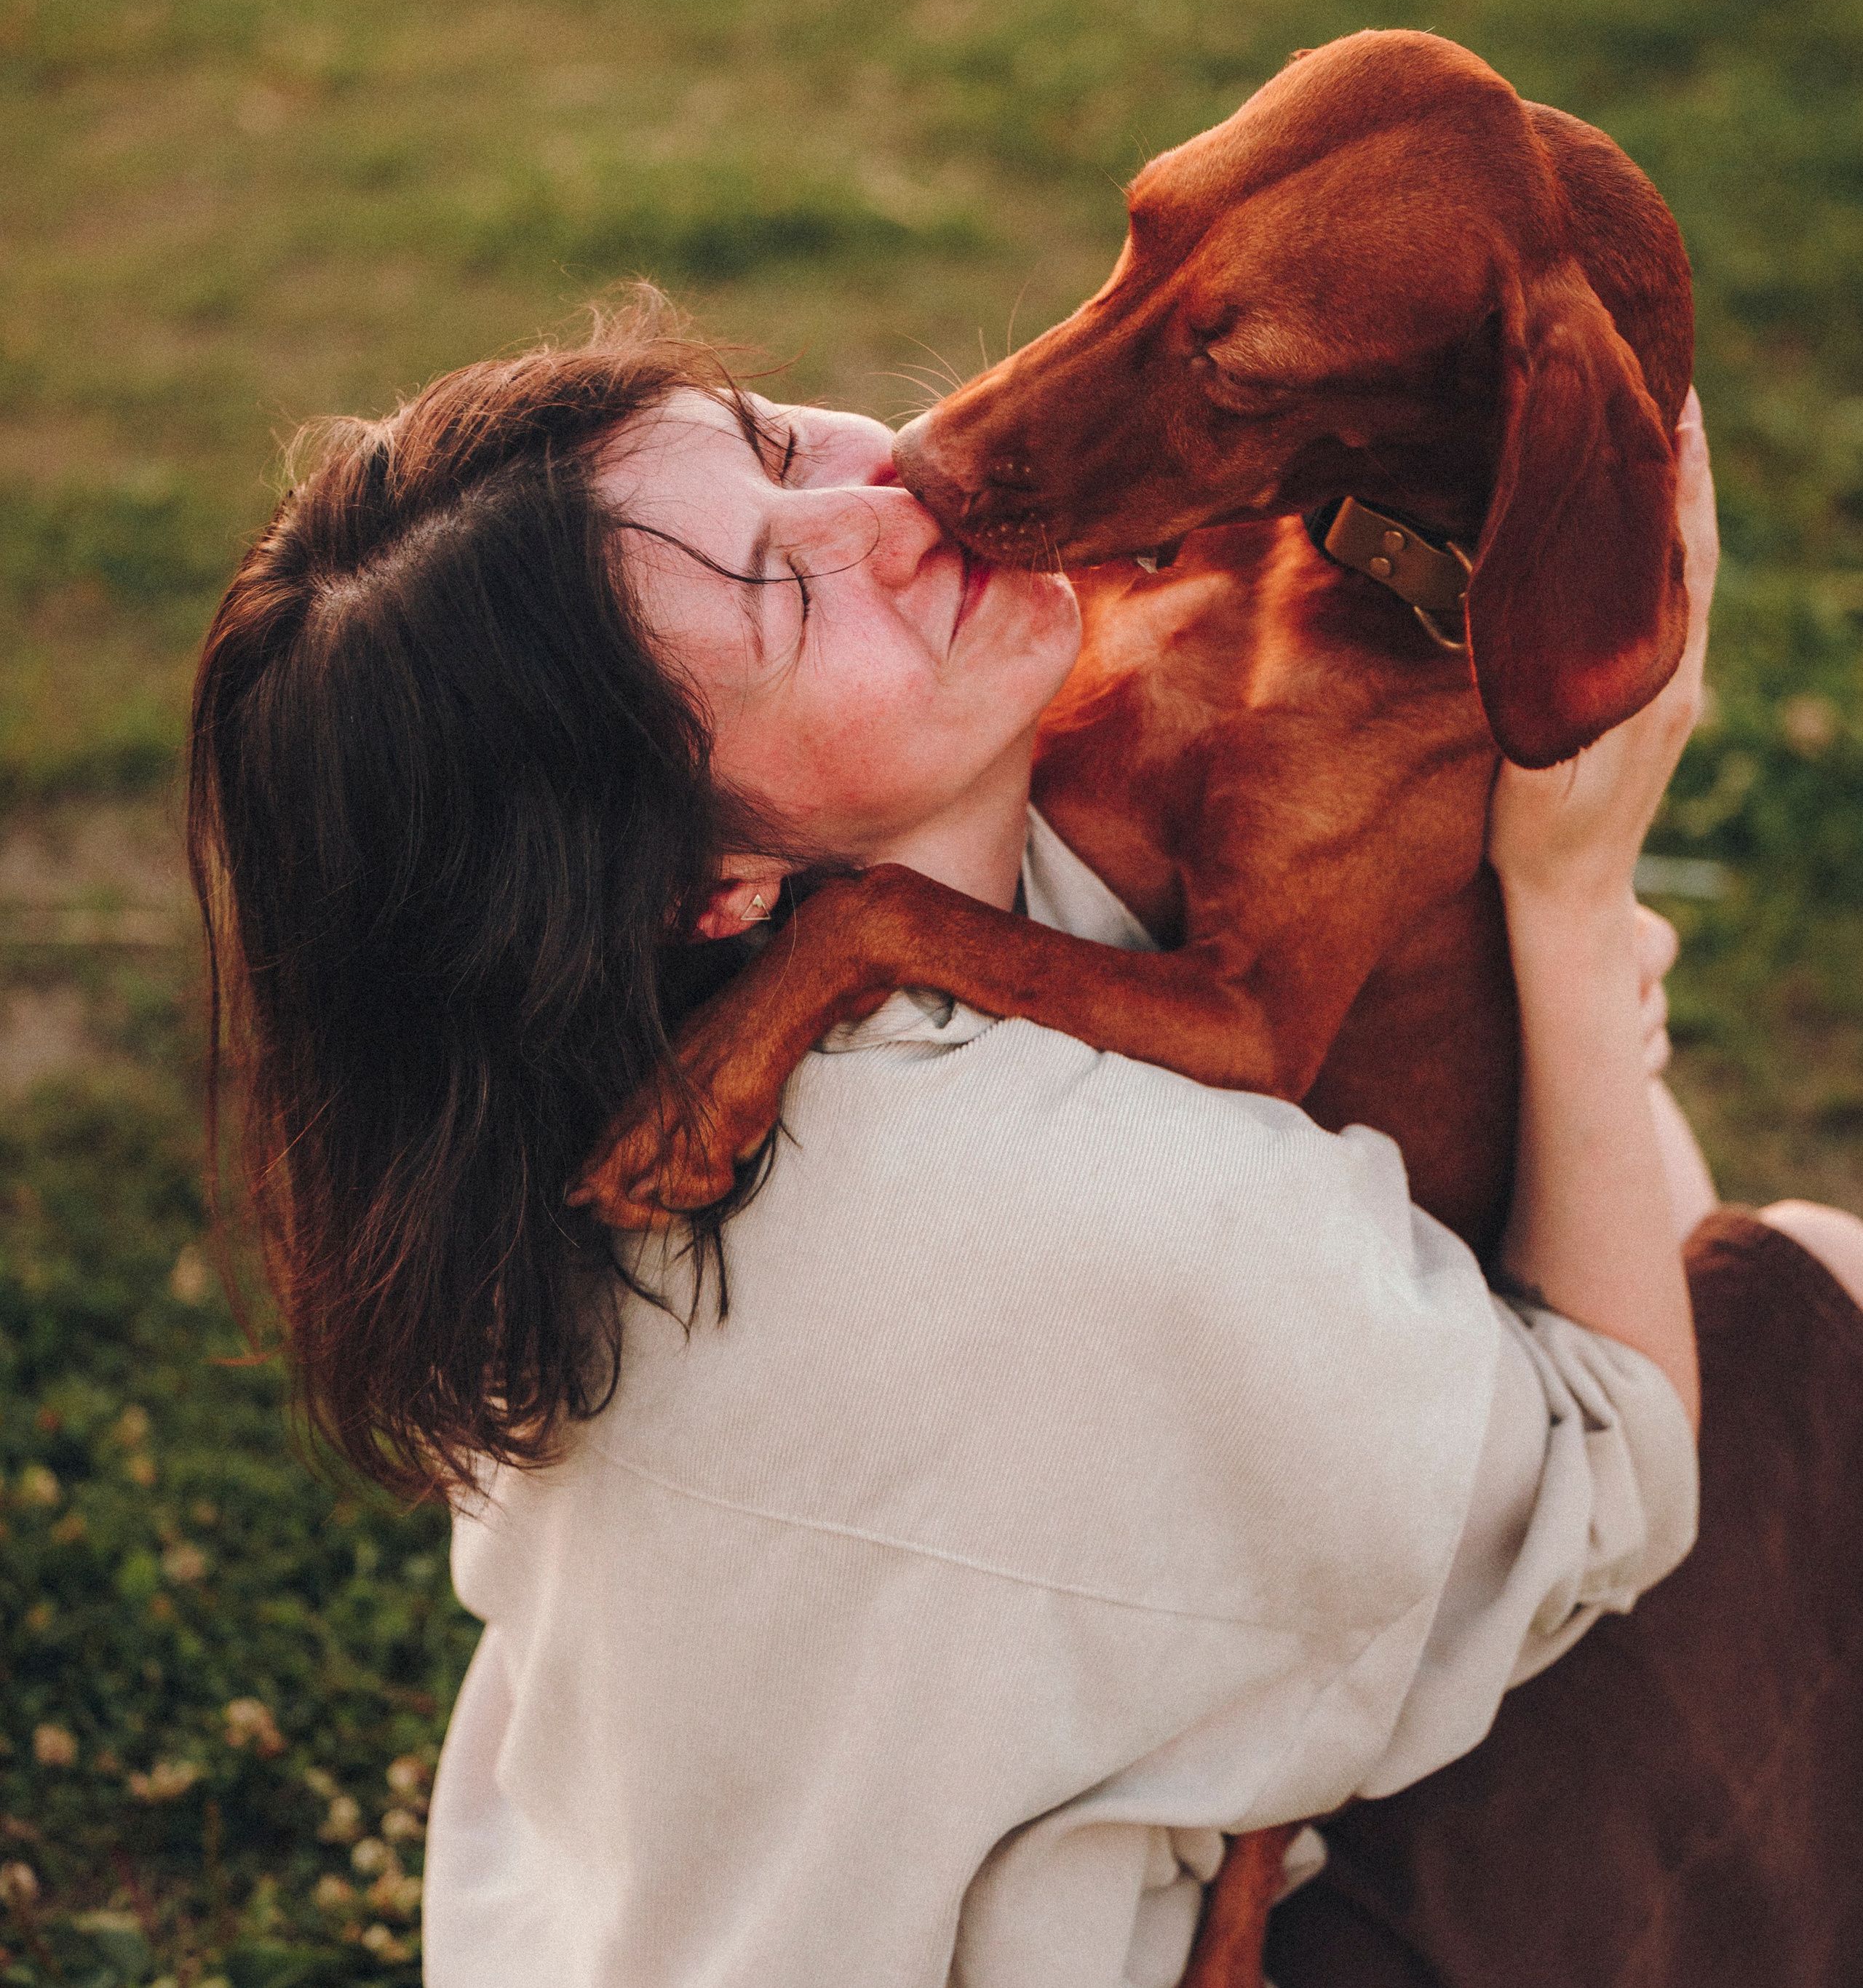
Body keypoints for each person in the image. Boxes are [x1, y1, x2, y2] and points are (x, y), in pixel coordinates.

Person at [188, 302, 1863, 1987]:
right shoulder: (1078, 1201)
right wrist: (1568, 911)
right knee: (1811, 1306)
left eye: (775, 443)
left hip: (593, 1929)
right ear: (701, 886)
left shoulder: (589, 1079)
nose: (885, 501)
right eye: (780, 594)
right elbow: (1619, 1470)